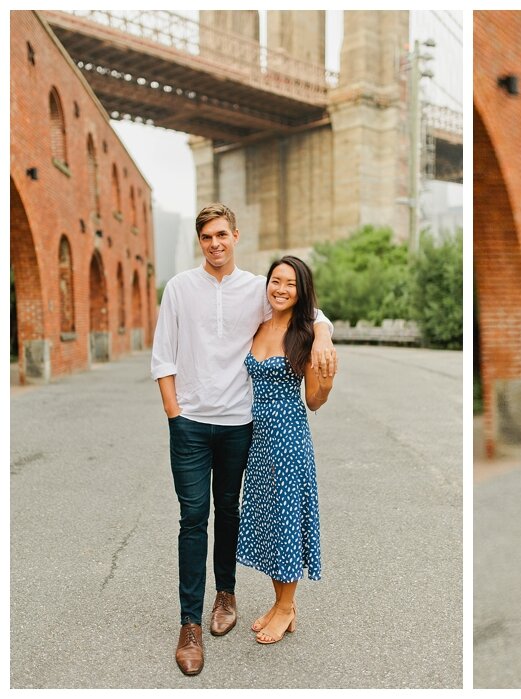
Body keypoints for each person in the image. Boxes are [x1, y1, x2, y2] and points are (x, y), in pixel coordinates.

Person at [152, 203, 337, 675]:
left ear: (236, 235)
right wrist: (176, 415)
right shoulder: (179, 288)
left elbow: (306, 308)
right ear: (201, 242)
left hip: (240, 425)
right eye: (206, 236)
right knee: (193, 517)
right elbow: (162, 357)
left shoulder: (258, 288)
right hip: (190, 424)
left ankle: (227, 597)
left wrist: (323, 335)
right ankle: (189, 624)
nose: (215, 243)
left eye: (222, 235)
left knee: (231, 510)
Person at [235, 255, 332, 644]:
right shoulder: (257, 326)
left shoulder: (304, 334)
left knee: (288, 519)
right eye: (276, 281)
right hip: (258, 439)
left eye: (290, 284)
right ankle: (279, 605)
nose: (280, 289)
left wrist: (326, 382)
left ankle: (288, 607)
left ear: (301, 290)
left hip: (289, 440)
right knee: (272, 521)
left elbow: (314, 400)